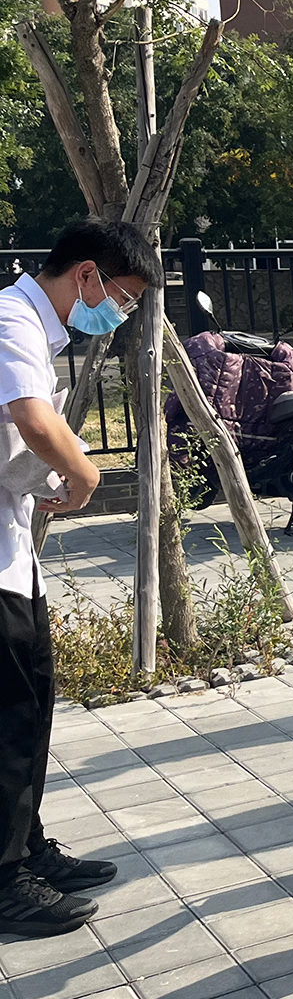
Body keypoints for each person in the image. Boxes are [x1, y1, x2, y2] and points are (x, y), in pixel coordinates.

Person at [0, 220, 157, 935]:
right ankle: (5, 880)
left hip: (12, 554)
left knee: (32, 708)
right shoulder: (12, 318)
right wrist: (85, 472)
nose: (120, 313)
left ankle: (28, 850)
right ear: (87, 273)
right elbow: (33, 420)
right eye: (122, 297)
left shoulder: (40, 332)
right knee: (8, 719)